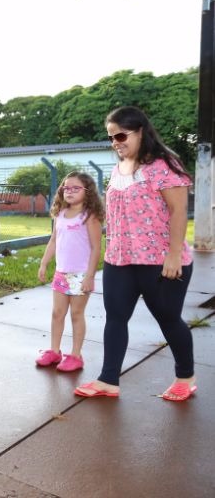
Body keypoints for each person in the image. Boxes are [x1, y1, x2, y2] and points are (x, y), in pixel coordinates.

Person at [75, 106, 196, 402]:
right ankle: (108, 380)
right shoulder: (119, 169)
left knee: (168, 319)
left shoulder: (164, 164)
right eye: (111, 137)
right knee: (115, 317)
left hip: (159, 259)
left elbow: (179, 211)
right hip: (119, 259)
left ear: (140, 130)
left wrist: (174, 254)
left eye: (120, 135)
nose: (115, 142)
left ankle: (185, 377)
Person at [36, 172, 104, 372]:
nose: (70, 191)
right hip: (61, 273)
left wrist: (90, 276)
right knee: (57, 313)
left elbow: (96, 249)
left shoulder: (89, 217)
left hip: (81, 275)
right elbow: (54, 240)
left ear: (87, 192)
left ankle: (76, 355)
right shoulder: (60, 214)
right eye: (66, 188)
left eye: (76, 188)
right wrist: (44, 263)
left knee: (76, 314)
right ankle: (54, 351)